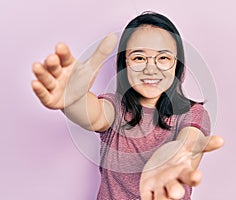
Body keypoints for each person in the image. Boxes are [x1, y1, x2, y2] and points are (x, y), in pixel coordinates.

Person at [31, 11, 224, 200]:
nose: (150, 68)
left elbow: (187, 144)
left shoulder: (192, 113)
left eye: (163, 58)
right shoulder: (115, 108)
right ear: (125, 64)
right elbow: (90, 113)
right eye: (139, 58)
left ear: (176, 64)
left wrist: (172, 158)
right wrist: (71, 99)